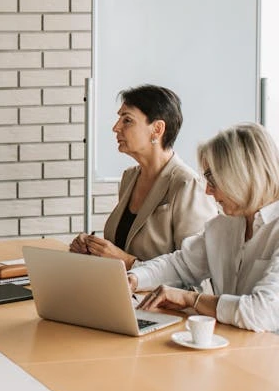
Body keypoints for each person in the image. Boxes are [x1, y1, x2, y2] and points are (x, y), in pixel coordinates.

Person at [132, 123, 279, 357]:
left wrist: (191, 299)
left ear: (241, 175)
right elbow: (180, 265)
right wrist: (133, 279)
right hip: (247, 350)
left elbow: (262, 313)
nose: (208, 191)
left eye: (213, 179)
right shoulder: (227, 224)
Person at [69, 85, 217, 270]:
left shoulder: (188, 185)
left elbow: (197, 274)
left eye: (127, 120)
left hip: (156, 299)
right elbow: (123, 247)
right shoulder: (129, 177)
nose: (116, 128)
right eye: (119, 118)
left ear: (157, 129)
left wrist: (127, 262)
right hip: (121, 295)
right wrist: (92, 249)